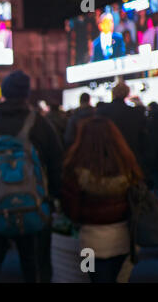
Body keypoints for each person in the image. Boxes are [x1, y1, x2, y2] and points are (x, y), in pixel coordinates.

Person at [0, 70, 63, 283]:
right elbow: (57, 164)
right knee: (36, 269)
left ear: (3, 92)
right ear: (26, 94)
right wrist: (52, 200)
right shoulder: (40, 124)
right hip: (34, 206)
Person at [61, 116, 144, 283]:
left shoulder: (74, 172)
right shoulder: (127, 168)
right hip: (123, 242)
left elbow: (72, 213)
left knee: (90, 276)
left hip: (89, 244)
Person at [97, 82, 148, 177]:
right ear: (127, 93)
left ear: (113, 93)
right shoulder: (136, 113)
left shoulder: (101, 112)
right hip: (130, 157)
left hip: (108, 158)